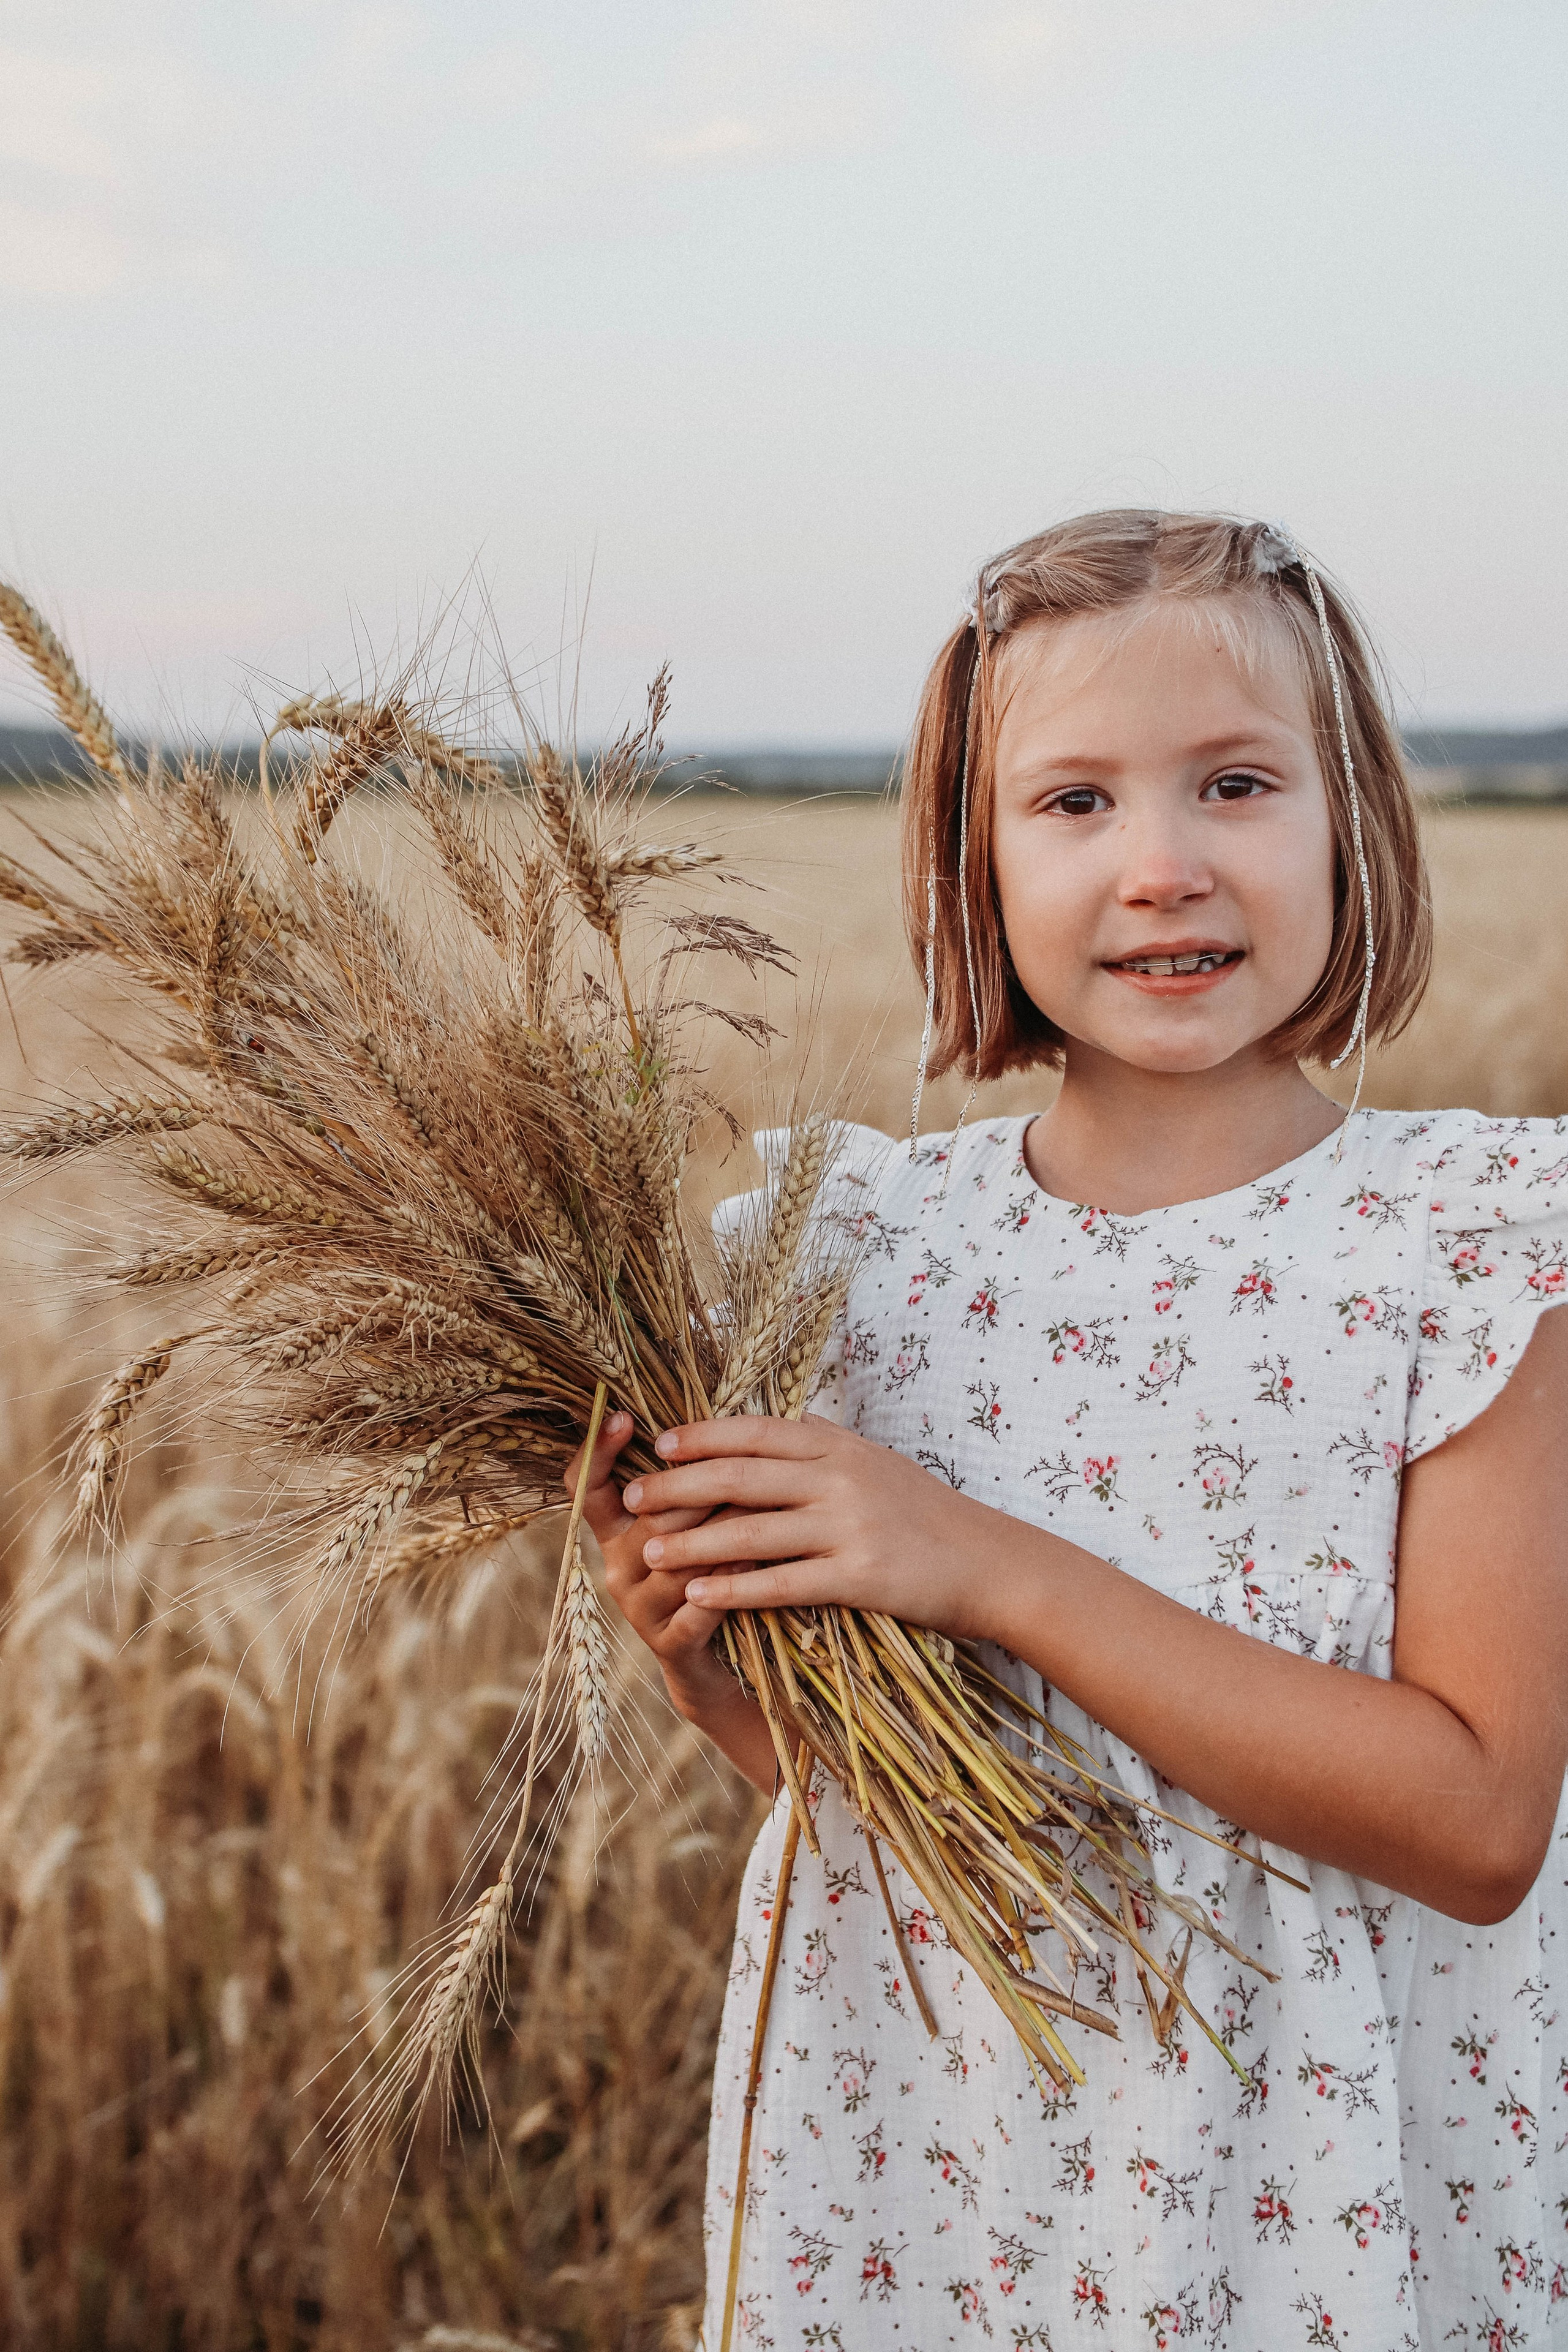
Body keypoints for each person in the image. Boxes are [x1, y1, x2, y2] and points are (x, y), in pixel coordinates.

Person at [573, 511, 1568, 2348]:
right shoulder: (850, 1255)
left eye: (1238, 784)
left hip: (1319, 2167)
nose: (1164, 865)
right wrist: (707, 1650)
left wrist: (985, 1564)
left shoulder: (1471, 1250)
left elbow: (1483, 1818)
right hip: (942, 2154)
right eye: (1076, 804)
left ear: (1354, 826)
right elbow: (861, 1806)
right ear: (977, 860)